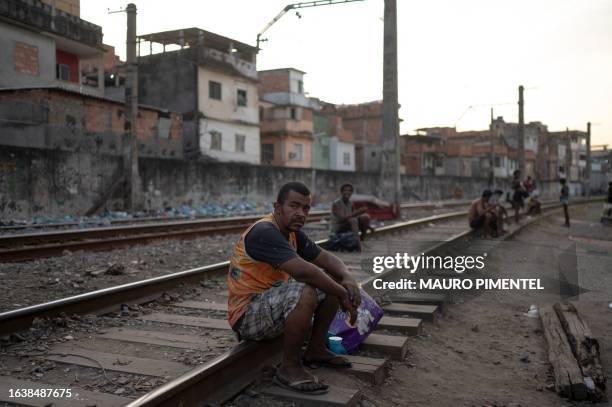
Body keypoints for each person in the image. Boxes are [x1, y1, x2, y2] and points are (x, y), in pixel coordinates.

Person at [227, 181, 361, 395]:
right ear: (278, 207)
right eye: (294, 206)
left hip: (271, 307)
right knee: (307, 288)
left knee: (330, 281)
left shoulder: (291, 231)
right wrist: (342, 292)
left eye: (305, 208)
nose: (301, 213)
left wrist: (347, 278)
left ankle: (315, 349)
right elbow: (304, 272)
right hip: (247, 316)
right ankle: (289, 368)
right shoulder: (264, 231)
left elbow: (324, 257)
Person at [330, 183, 372, 251]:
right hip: (338, 227)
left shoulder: (350, 203)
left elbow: (353, 215)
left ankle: (361, 241)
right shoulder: (336, 203)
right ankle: (359, 246)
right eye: (345, 190)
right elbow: (342, 218)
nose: (347, 192)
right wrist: (357, 212)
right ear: (341, 192)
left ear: (351, 193)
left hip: (348, 226)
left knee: (365, 217)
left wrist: (368, 226)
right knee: (353, 220)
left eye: (349, 191)